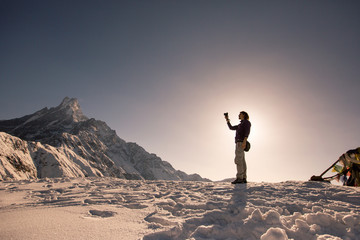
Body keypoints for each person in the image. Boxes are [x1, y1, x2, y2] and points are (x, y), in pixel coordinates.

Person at [225, 111, 251, 184]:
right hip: (239, 142)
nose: (239, 115)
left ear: (244, 115)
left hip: (241, 142)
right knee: (242, 160)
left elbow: (247, 131)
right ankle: (244, 178)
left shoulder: (246, 122)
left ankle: (240, 178)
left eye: (240, 114)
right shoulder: (240, 124)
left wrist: (245, 141)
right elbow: (231, 127)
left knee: (238, 160)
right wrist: (227, 120)